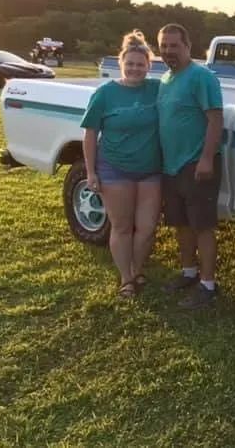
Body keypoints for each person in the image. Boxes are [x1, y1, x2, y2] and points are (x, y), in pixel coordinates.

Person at [81, 30, 162, 298]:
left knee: (148, 227)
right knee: (122, 226)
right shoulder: (105, 94)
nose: (135, 69)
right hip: (114, 169)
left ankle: (137, 269)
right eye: (130, 64)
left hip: (150, 170)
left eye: (140, 64)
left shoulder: (157, 89)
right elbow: (90, 133)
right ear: (121, 64)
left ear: (149, 65)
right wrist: (91, 171)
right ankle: (126, 278)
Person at [156, 23, 223, 308]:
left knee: (202, 226)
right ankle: (188, 272)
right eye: (164, 46)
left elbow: (215, 119)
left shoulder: (201, 77)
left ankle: (208, 285)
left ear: (188, 46)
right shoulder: (166, 79)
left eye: (174, 45)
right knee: (181, 223)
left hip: (197, 164)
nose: (169, 51)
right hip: (171, 166)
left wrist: (206, 158)